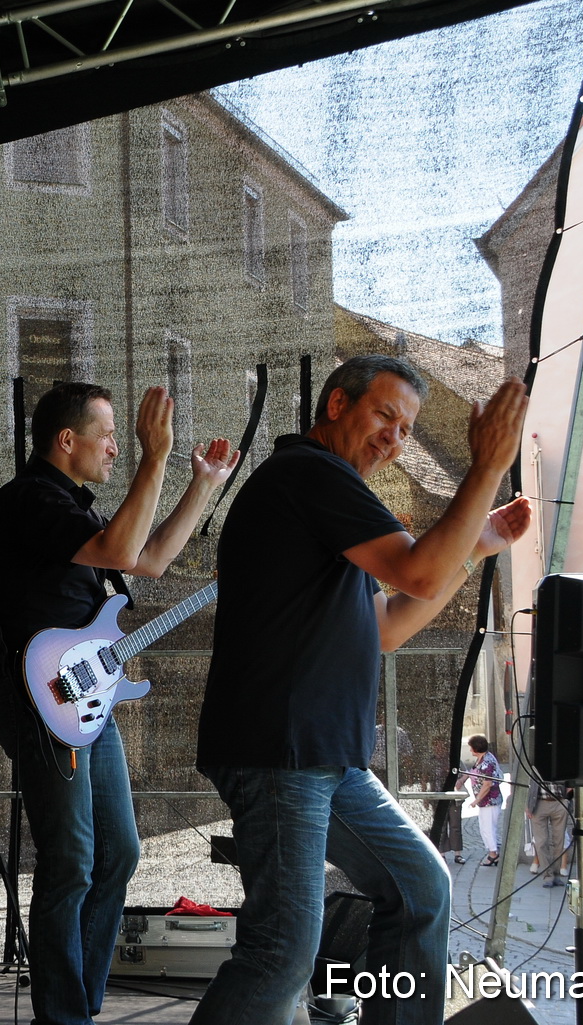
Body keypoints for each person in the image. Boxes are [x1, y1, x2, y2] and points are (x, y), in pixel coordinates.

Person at [191, 354, 529, 1025]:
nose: (394, 437)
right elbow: (417, 573)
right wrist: (487, 465)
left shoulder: (324, 507)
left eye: (405, 428)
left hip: (319, 757)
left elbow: (388, 624)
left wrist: (473, 549)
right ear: (337, 405)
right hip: (281, 751)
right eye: (384, 414)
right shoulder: (309, 472)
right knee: (280, 951)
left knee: (419, 890)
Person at [0, 382, 238, 1025]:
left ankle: (81, 1005)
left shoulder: (73, 509)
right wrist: (156, 456)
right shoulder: (28, 501)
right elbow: (126, 549)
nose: (117, 449)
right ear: (67, 440)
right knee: (69, 862)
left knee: (118, 851)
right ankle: (63, 1016)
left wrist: (201, 484)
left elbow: (145, 559)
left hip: (85, 704)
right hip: (43, 705)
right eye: (108, 436)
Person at [465, 734, 504, 866]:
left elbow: (487, 784)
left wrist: (476, 800)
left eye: (471, 748)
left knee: (488, 828)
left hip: (490, 800)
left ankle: (494, 854)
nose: (470, 750)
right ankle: (493, 851)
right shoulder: (481, 759)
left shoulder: (487, 762)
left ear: (476, 748)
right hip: (485, 801)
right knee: (484, 828)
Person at [529, 777, 572, 886]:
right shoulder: (534, 762)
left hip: (559, 802)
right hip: (539, 802)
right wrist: (527, 805)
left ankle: (556, 875)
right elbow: (525, 782)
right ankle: (548, 875)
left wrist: (569, 793)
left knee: (559, 841)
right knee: (541, 842)